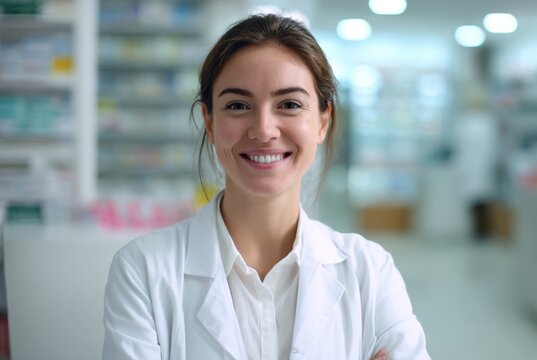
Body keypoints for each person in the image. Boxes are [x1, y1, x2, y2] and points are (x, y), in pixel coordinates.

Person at [102, 14, 430, 360]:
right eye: (238, 105)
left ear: (322, 121)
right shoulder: (143, 269)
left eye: (289, 104)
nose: (263, 129)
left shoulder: (370, 271)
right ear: (209, 122)